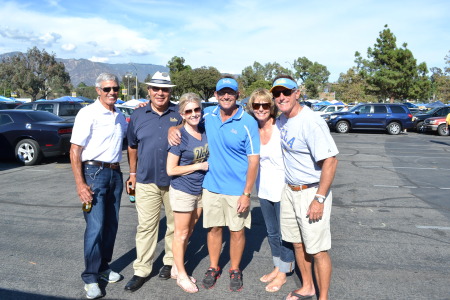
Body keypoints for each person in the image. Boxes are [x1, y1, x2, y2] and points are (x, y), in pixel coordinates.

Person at [169, 76, 260, 292]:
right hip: (211, 186)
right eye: (222, 93)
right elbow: (185, 118)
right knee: (213, 229)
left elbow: (254, 160)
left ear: (238, 95)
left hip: (237, 189)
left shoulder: (247, 122)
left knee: (237, 231)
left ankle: (235, 269)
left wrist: (247, 193)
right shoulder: (208, 115)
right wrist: (172, 129)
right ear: (216, 95)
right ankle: (213, 266)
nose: (226, 96)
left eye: (230, 92)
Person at [272, 75, 339, 300]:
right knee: (298, 244)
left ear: (297, 93)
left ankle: (323, 297)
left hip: (311, 191)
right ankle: (308, 286)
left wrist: (319, 199)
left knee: (318, 249)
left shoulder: (311, 121)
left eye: (286, 92)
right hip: (290, 190)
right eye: (277, 94)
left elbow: (331, 161)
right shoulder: (281, 120)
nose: (281, 97)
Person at [70, 73, 127, 299]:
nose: (112, 92)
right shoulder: (88, 113)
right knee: (95, 226)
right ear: (98, 90)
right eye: (107, 89)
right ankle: (91, 277)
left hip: (115, 174)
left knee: (111, 225)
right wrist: (80, 183)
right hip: (94, 173)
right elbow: (75, 150)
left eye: (115, 89)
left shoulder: (120, 115)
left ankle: (103, 267)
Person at [124, 71, 183, 292]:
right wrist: (132, 174)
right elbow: (132, 146)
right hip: (146, 180)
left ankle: (169, 262)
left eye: (165, 89)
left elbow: (196, 129)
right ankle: (141, 270)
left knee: (173, 225)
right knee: (146, 227)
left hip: (175, 180)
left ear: (170, 91)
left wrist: (177, 127)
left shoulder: (179, 113)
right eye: (156, 89)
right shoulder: (138, 115)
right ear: (148, 91)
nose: (160, 93)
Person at [246, 88, 295, 293]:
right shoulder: (251, 129)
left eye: (265, 105)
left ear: (271, 106)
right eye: (256, 105)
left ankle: (284, 272)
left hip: (283, 188)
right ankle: (278, 266)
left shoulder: (281, 126)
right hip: (263, 189)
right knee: (272, 232)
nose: (261, 109)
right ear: (252, 107)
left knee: (285, 233)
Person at [166, 92, 209, 293]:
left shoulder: (204, 130)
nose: (194, 114)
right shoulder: (179, 137)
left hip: (199, 191)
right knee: (181, 233)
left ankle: (176, 266)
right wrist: (198, 167)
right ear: (182, 114)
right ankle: (182, 275)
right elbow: (171, 169)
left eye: (197, 109)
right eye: (189, 111)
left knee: (190, 230)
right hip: (183, 190)